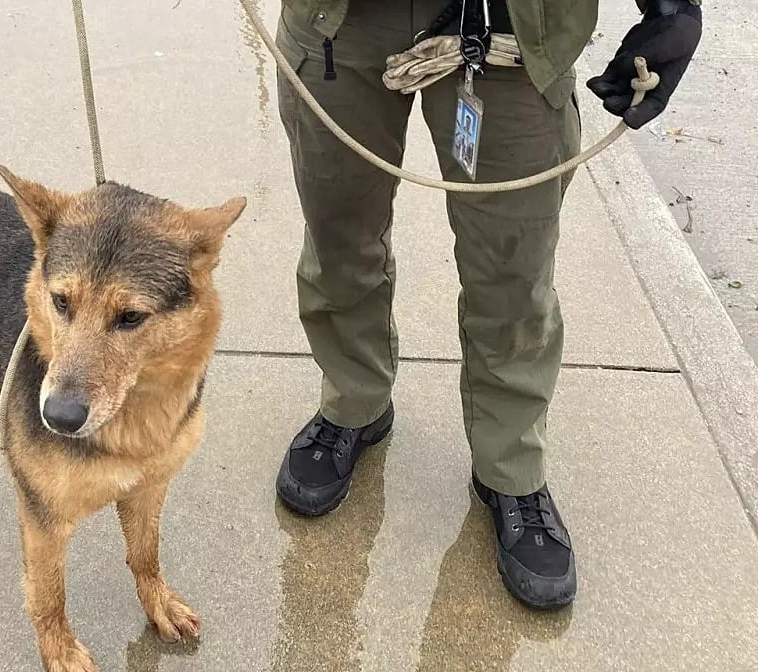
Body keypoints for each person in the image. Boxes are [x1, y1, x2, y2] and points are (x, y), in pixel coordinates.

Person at [273, 0, 702, 609]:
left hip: (512, 25)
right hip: (341, 20)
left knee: (513, 271)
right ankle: (355, 399)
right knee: (340, 236)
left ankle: (510, 465)